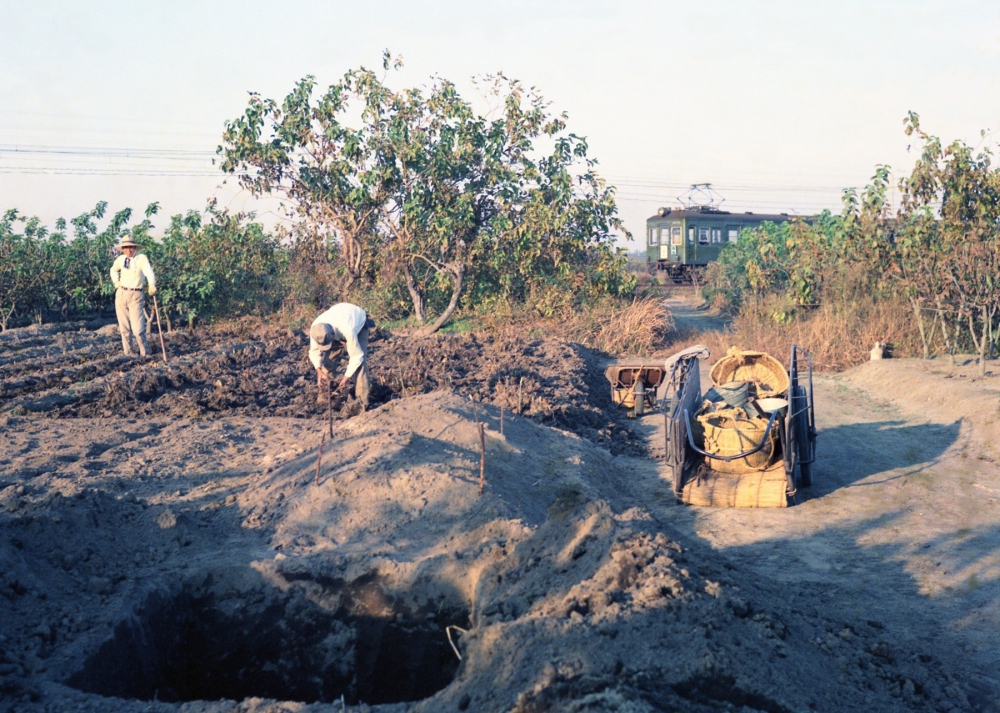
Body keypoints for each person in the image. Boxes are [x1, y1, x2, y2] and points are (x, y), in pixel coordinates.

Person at [308, 303, 375, 406]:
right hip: (339, 320)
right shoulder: (317, 329)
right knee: (328, 361)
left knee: (360, 364)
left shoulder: (348, 329)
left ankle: (362, 402)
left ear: (333, 335)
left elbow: (356, 356)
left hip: (359, 325)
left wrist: (346, 377)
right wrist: (318, 370)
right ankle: (325, 397)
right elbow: (313, 351)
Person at [109, 235, 156, 357]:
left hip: (136, 294)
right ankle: (128, 354)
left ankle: (145, 353)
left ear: (135, 248)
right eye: (126, 247)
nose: (128, 250)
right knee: (124, 328)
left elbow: (148, 271)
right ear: (123, 249)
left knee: (138, 329)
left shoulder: (141, 258)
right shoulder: (120, 259)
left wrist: (152, 284)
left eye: (131, 247)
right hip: (121, 294)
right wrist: (116, 283)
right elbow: (113, 270)